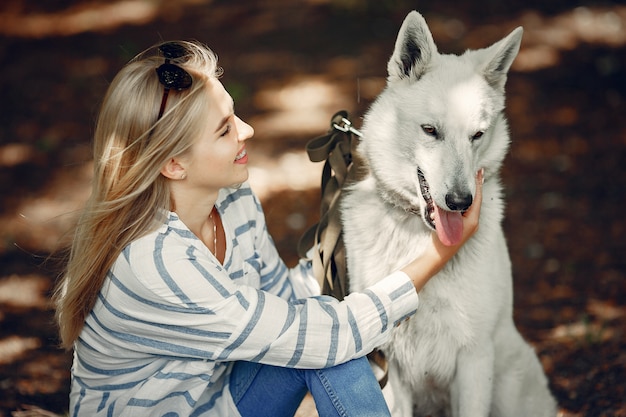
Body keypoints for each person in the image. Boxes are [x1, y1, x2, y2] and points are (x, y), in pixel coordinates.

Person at [53, 40, 483, 417]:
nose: (247, 130)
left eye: (233, 115)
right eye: (224, 130)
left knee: (325, 339)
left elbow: (284, 301)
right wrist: (437, 254)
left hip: (223, 402)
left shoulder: (233, 202)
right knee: (329, 342)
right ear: (173, 164)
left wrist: (345, 248)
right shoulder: (155, 263)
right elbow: (321, 335)